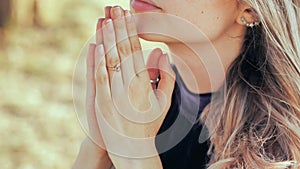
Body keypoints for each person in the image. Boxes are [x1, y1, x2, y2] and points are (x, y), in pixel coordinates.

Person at [72, 0, 300, 168]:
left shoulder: (281, 145)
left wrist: (136, 153)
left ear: (249, 10)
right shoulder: (142, 103)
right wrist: (98, 146)